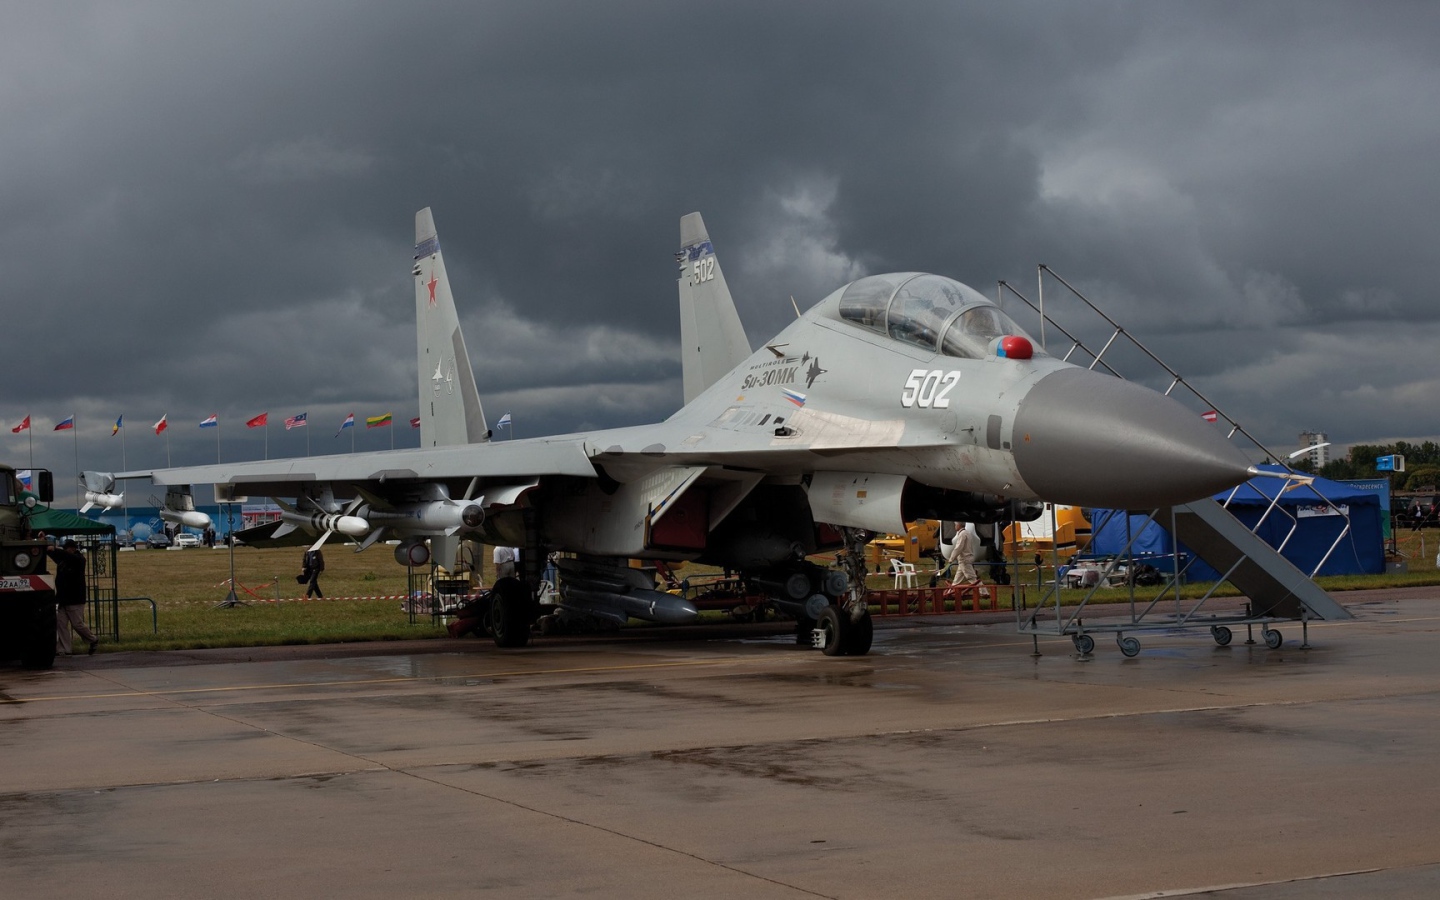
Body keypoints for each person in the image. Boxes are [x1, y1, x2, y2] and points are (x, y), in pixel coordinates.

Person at [48, 539, 98, 655]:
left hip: (75, 599)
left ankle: (93, 639)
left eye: (68, 548)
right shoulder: (63, 560)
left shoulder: (79, 560)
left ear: (74, 549)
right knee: (61, 625)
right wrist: (45, 545)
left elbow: (64, 555)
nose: (67, 550)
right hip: (62, 599)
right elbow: (55, 555)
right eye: (65, 548)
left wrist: (55, 549)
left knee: (77, 624)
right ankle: (64, 650)